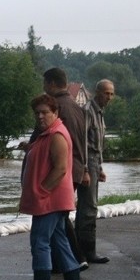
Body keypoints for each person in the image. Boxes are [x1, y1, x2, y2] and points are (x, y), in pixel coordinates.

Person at [18, 94, 83, 280]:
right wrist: (29, 148)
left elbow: (61, 168)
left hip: (50, 200)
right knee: (59, 240)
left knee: (39, 241)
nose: (40, 116)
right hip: (54, 199)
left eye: (45, 112)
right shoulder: (47, 134)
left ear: (55, 113)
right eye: (37, 112)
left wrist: (40, 191)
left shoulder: (56, 135)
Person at [42, 67, 88, 268]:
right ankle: (68, 262)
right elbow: (84, 140)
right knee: (60, 218)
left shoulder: (55, 107)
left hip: (64, 168)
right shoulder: (76, 106)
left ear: (52, 84)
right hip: (77, 167)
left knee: (56, 216)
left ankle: (76, 260)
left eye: (45, 84)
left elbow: (52, 138)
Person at [76, 79, 115, 264]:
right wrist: (85, 169)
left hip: (94, 162)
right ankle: (85, 252)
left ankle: (84, 251)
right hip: (86, 162)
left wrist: (99, 168)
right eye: (106, 93)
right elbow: (83, 142)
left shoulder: (100, 114)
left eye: (111, 93)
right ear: (96, 92)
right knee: (88, 207)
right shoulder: (88, 111)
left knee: (90, 206)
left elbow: (98, 145)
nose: (109, 97)